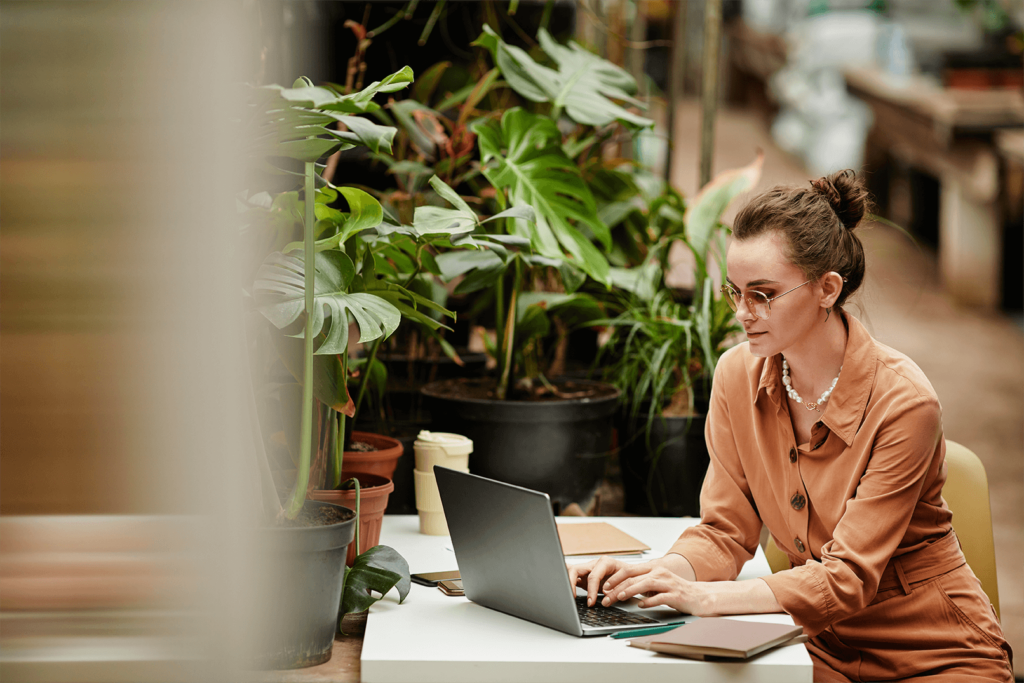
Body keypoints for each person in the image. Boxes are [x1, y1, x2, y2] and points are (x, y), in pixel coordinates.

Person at [569, 170, 1013, 682]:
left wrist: (707, 599)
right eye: (734, 292)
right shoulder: (736, 376)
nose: (742, 313)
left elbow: (846, 580)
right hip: (812, 647)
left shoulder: (905, 403)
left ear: (827, 289)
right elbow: (725, 532)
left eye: (763, 294)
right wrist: (653, 575)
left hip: (935, 655)